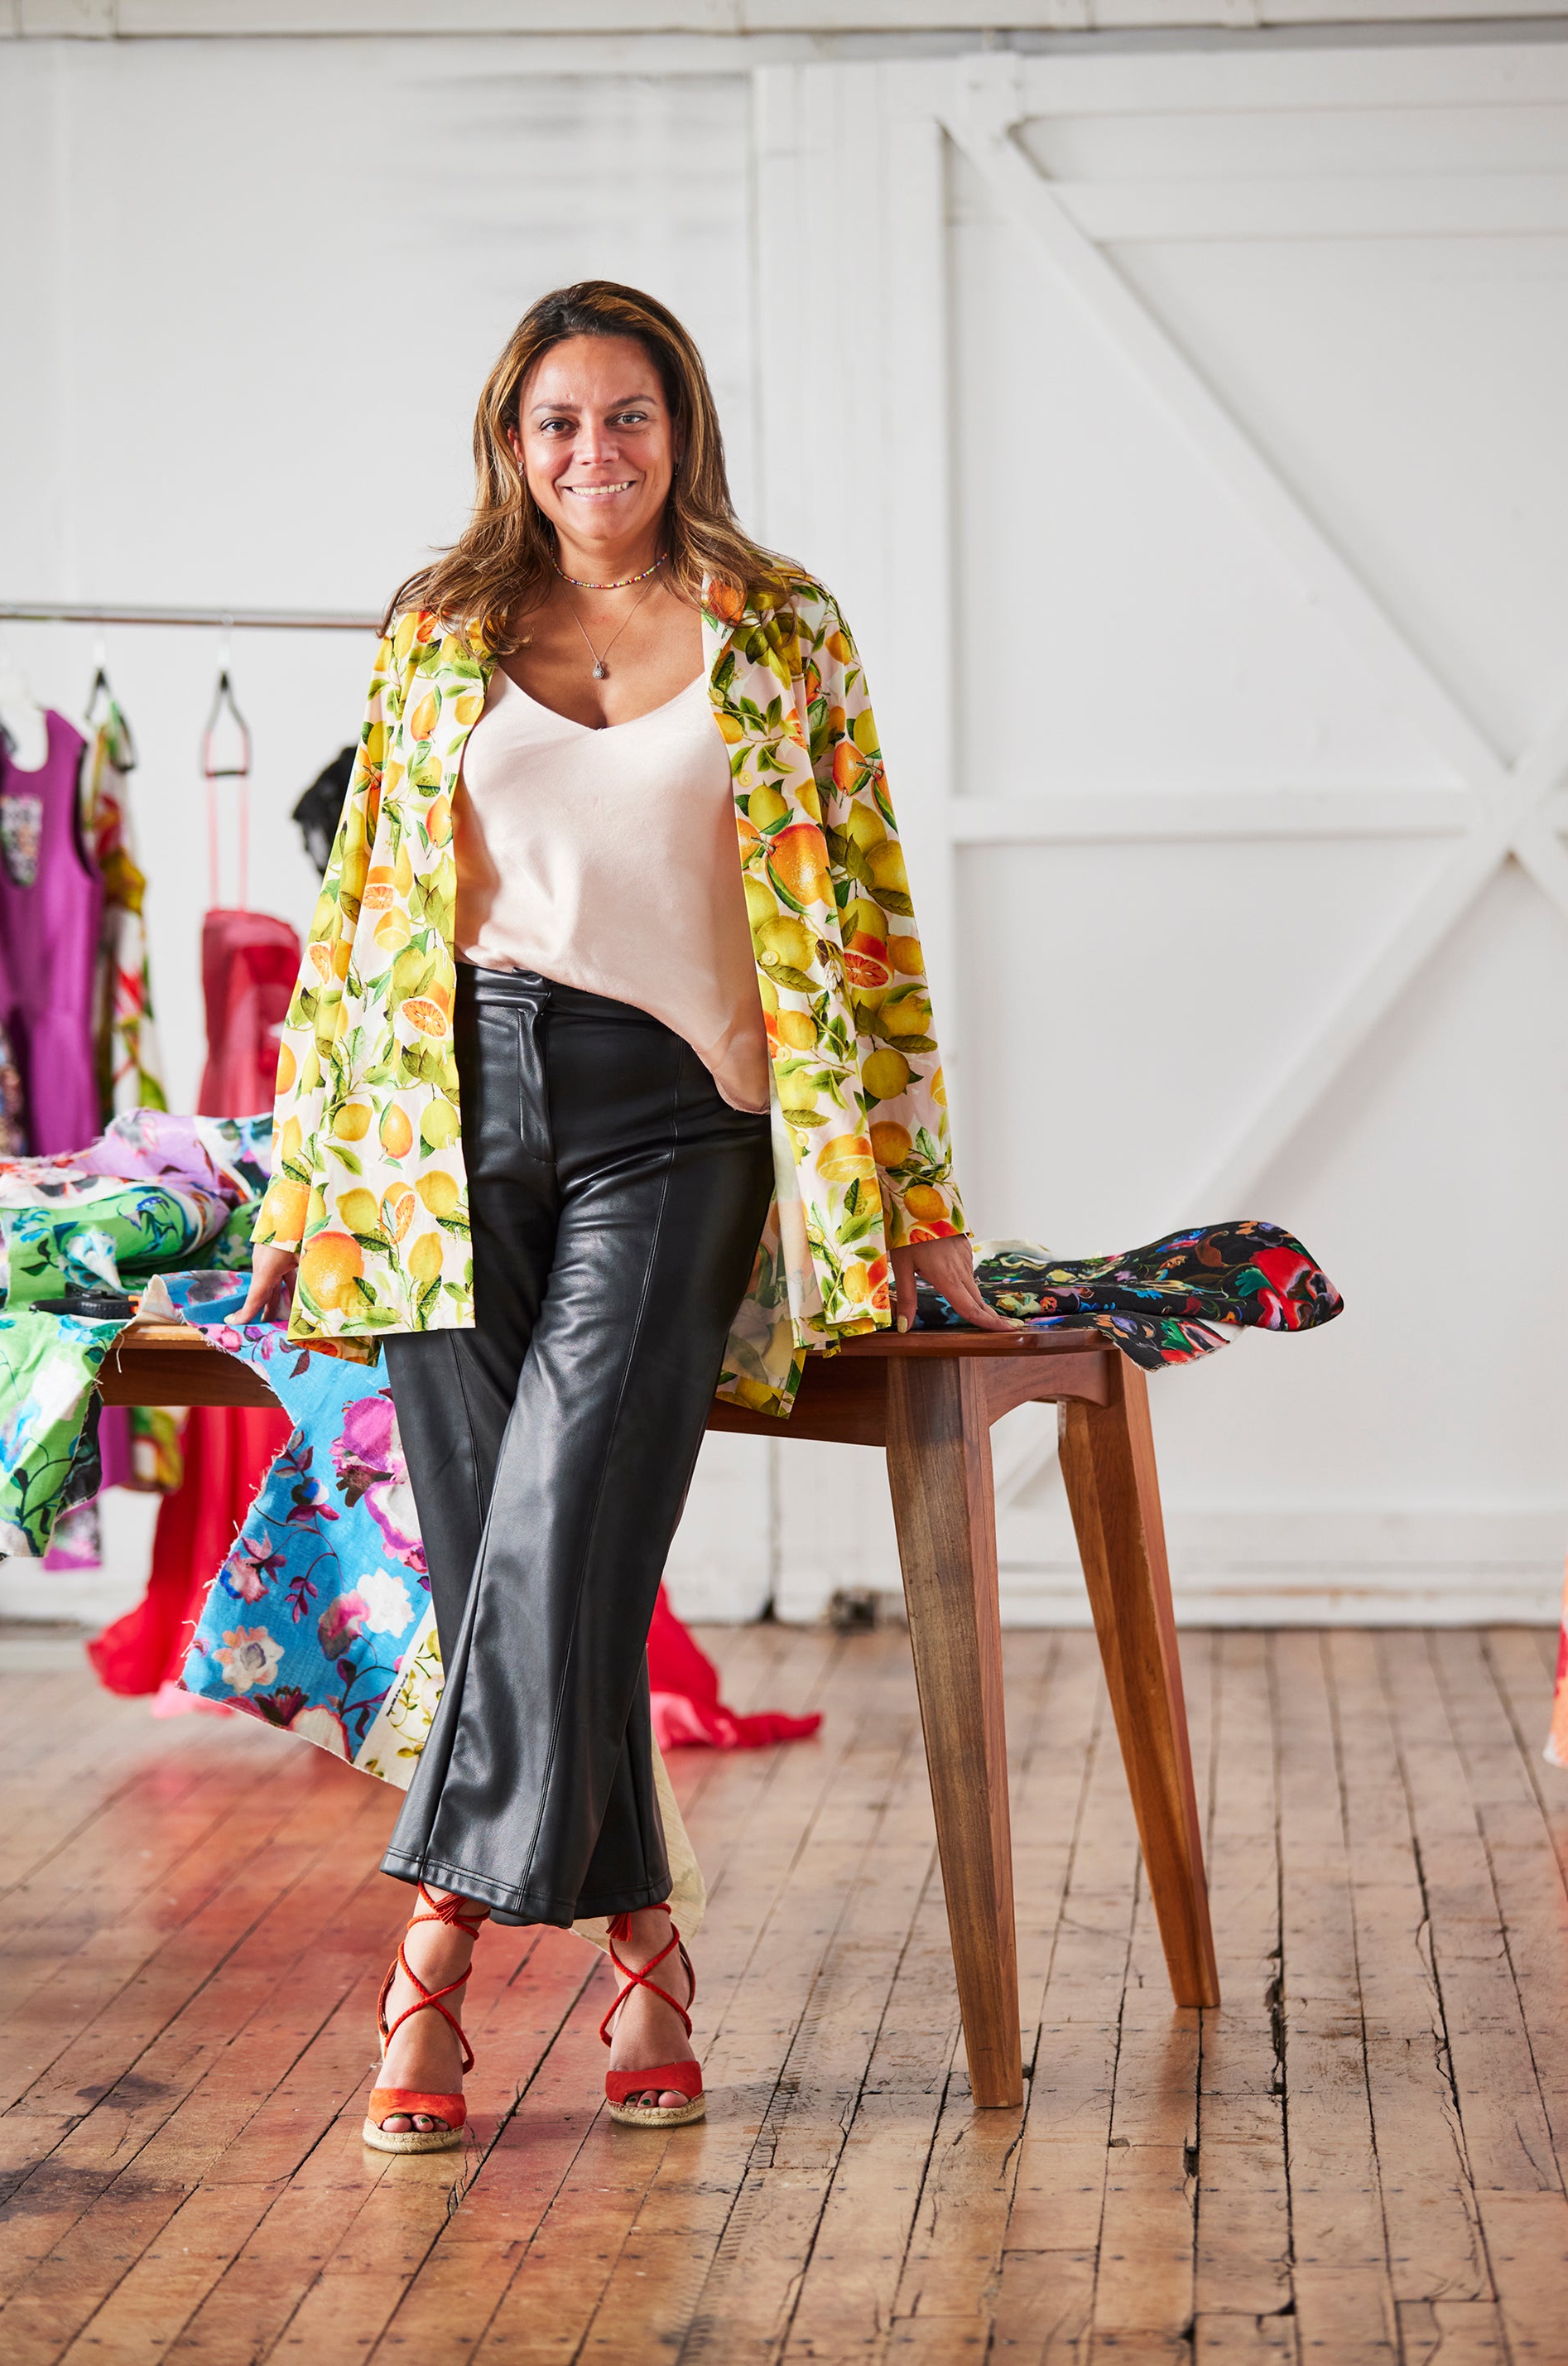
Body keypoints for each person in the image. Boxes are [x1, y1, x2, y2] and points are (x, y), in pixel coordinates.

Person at [234, 280, 1012, 2152]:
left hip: (679, 1124)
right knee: (528, 1563)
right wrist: (305, 1184)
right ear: (512, 443)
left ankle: (428, 1953)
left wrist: (916, 1211)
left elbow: (871, 933)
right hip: (442, 1131)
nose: (595, 454)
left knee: (563, 1518)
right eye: (556, 422)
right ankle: (643, 1938)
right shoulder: (436, 634)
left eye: (629, 417)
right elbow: (351, 947)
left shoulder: (781, 634)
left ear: (684, 432)